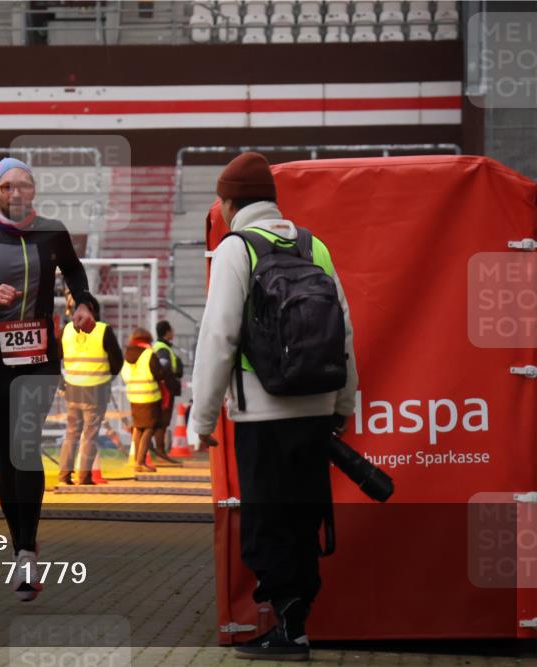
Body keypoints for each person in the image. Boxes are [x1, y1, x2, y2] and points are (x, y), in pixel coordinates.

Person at [190, 152, 358, 660]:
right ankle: (297, 620)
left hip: (262, 414)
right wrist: (343, 403)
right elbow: (345, 331)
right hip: (316, 408)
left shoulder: (235, 249)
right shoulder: (315, 246)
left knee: (267, 518)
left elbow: (219, 336)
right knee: (304, 516)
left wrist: (202, 417)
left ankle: (286, 628)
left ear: (229, 202)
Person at [0, 157, 97, 602]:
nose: (15, 193)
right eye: (6, 186)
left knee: (25, 449)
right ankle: (19, 543)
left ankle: (27, 552)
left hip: (41, 355)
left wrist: (83, 303)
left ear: (33, 191)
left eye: (23, 185)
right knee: (7, 459)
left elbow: (75, 271)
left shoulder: (52, 231)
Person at [58, 294, 123, 486]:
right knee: (90, 434)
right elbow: (117, 361)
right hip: (96, 390)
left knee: (71, 433)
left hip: (72, 390)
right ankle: (84, 477)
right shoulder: (103, 330)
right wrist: (106, 377)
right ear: (93, 310)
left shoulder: (66, 330)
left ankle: (64, 475)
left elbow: (55, 359)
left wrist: (62, 382)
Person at [121, 328, 169, 473]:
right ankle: (140, 462)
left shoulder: (127, 354)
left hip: (133, 395)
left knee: (138, 427)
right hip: (149, 397)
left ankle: (137, 460)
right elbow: (158, 373)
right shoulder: (149, 354)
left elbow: (124, 374)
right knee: (149, 428)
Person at [152, 320, 184, 459]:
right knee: (163, 420)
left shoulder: (161, 346)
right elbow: (164, 368)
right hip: (165, 389)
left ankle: (159, 452)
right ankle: (160, 453)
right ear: (167, 331)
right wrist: (172, 382)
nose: (174, 333)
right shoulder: (163, 349)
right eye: (172, 330)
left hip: (162, 387)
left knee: (161, 420)